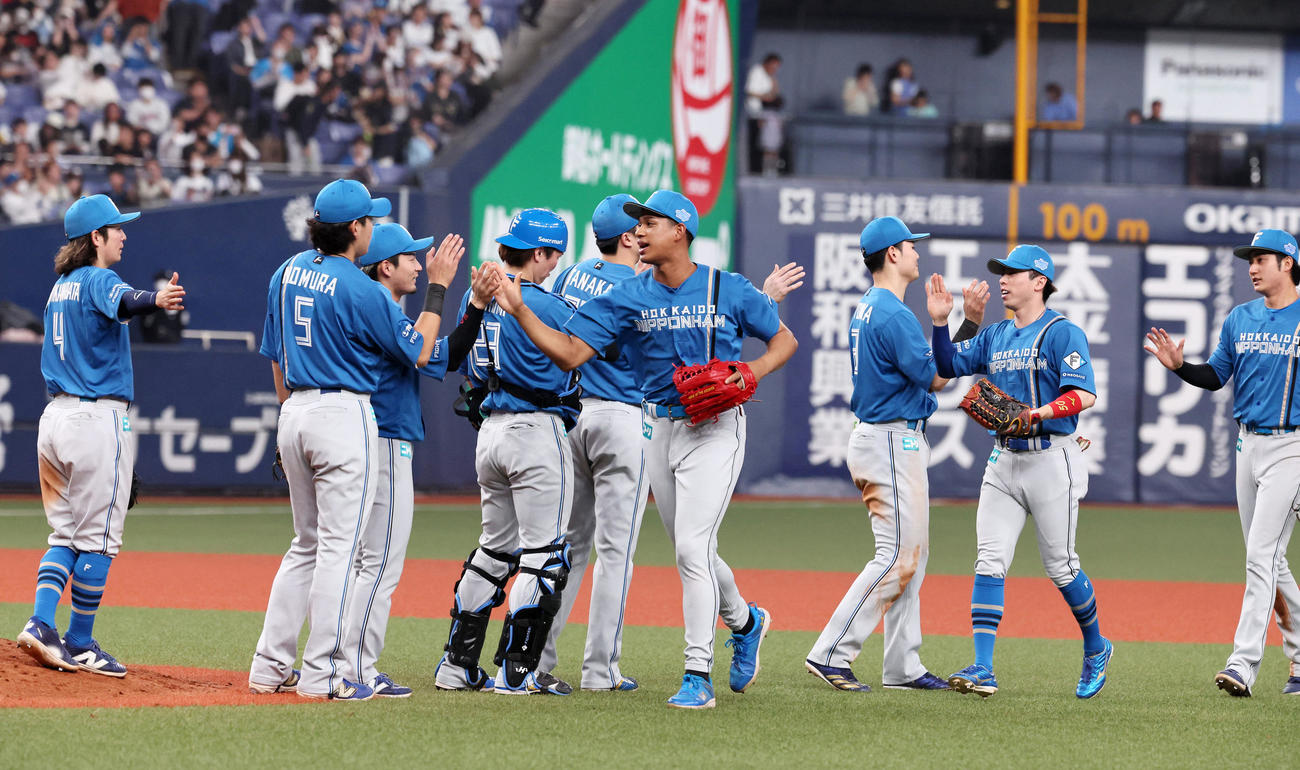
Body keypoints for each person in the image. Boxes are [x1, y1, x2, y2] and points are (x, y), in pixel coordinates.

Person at [490, 190, 799, 709]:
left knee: (689, 549)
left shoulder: (727, 288)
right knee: (694, 546)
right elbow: (569, 354)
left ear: (680, 230)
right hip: (658, 427)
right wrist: (520, 310)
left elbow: (783, 339)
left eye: (649, 223)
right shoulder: (629, 295)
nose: (638, 232)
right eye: (636, 224)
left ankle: (697, 674)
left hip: (717, 427)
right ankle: (746, 621)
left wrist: (752, 371)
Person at [248, 179, 464, 701]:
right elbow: (419, 351)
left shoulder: (286, 271)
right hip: (343, 413)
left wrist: (288, 417)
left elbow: (276, 353)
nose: (372, 226)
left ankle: (270, 666)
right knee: (340, 551)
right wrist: (438, 289)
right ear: (354, 229)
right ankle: (324, 675)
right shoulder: (360, 288)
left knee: (305, 545)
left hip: (295, 408)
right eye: (369, 219)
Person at [805, 216, 986, 693]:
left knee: (913, 557)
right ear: (891, 254)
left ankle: (902, 666)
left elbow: (936, 370)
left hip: (887, 437)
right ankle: (830, 652)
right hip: (889, 440)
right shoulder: (891, 313)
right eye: (910, 246)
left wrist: (952, 324)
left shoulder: (873, 307)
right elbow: (939, 379)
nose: (917, 253)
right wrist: (954, 323)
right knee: (897, 557)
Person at [928, 244, 1112, 699]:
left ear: (1040, 281)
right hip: (1003, 460)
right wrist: (942, 322)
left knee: (1062, 567)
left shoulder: (1062, 332)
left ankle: (1096, 646)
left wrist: (1038, 413)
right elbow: (947, 366)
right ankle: (983, 667)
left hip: (1053, 458)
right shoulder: (995, 335)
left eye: (1014, 273)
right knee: (989, 560)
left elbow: (1084, 394)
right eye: (1002, 272)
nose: (1003, 280)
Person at [16, 194, 185, 678]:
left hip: (54, 421)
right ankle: (80, 641)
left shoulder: (60, 287)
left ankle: (42, 623)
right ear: (96, 237)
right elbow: (126, 302)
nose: (124, 234)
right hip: (95, 419)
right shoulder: (97, 277)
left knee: (65, 532)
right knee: (99, 539)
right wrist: (156, 299)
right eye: (117, 228)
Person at [1144, 229, 1300, 697]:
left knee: (1259, 555)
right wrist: (1179, 368)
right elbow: (1216, 376)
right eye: (1249, 259)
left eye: (1262, 258)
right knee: (1270, 559)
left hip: (1291, 447)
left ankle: (1242, 663)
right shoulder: (1240, 317)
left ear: (1288, 262)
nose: (1252, 266)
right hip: (1246, 446)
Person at [345, 222, 498, 698]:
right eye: (410, 257)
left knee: (355, 562)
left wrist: (472, 305)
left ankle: (338, 661)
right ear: (384, 267)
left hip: (363, 437)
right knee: (378, 564)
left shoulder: (377, 310)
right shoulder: (384, 313)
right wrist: (444, 288)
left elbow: (446, 356)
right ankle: (357, 668)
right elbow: (433, 355)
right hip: (385, 440)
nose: (420, 262)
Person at [433, 208, 582, 696]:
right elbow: (587, 355)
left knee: (493, 552)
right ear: (539, 253)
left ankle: (456, 666)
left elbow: (466, 369)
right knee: (545, 555)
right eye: (553, 254)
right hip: (536, 432)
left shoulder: (476, 298)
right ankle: (518, 672)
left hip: (490, 433)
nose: (555, 262)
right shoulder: (547, 303)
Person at [534, 194, 651, 692]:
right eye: (641, 227)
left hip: (570, 417)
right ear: (627, 238)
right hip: (622, 419)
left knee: (567, 546)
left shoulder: (568, 274)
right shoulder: (644, 287)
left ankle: (535, 661)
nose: (646, 233)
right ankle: (600, 671)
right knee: (615, 551)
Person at [745, 53, 784, 174]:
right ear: (767, 63)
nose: (775, 69)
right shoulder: (756, 72)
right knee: (756, 146)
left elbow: (775, 93)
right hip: (753, 114)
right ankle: (755, 171)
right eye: (773, 66)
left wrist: (773, 80)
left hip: (766, 114)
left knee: (770, 145)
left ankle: (770, 171)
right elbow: (749, 91)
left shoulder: (770, 77)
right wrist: (764, 98)